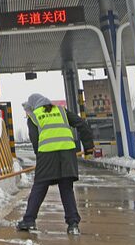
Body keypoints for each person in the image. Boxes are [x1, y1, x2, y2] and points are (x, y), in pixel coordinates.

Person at [17, 94, 95, 235]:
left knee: (39, 187)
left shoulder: (34, 116)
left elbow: (35, 140)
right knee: (66, 189)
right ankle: (73, 224)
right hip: (67, 154)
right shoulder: (61, 111)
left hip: (47, 155)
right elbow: (81, 124)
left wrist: (40, 158)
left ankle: (29, 220)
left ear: (33, 105)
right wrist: (89, 146)